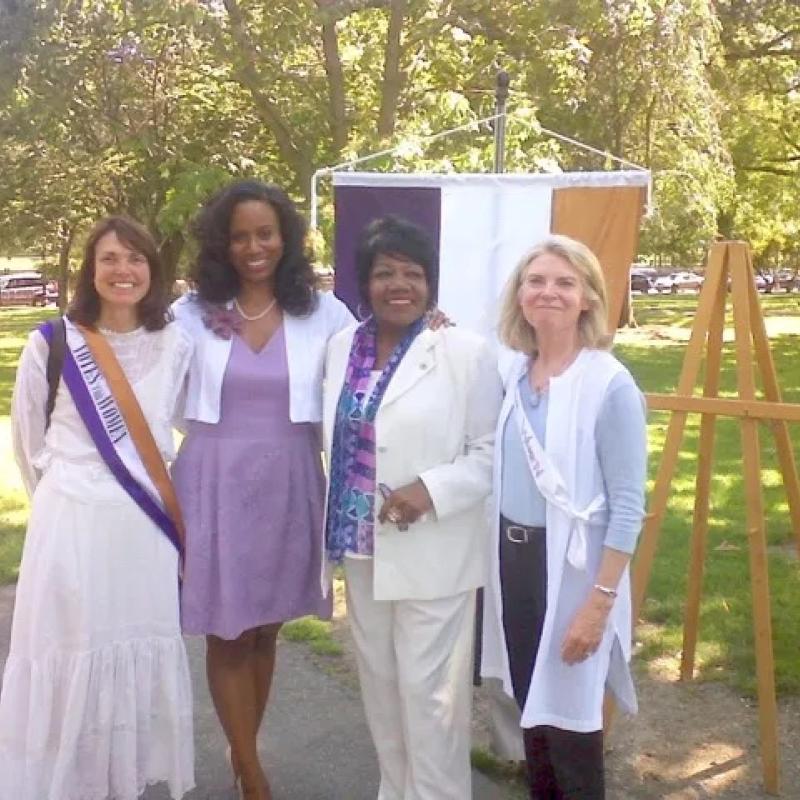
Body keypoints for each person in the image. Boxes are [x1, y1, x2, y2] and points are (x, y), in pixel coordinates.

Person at [170, 180, 354, 800]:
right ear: (223, 243)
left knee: (265, 626)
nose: (254, 246)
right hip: (213, 481)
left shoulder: (324, 312)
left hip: (292, 478)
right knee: (227, 627)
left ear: (287, 238)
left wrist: (433, 326)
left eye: (266, 233)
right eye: (241, 235)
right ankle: (251, 773)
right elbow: (147, 377)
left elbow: (374, 368)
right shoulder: (191, 313)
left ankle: (244, 748)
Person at [0, 216, 195, 800]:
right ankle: (64, 777)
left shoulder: (176, 343)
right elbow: (27, 436)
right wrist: (62, 499)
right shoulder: (52, 341)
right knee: (71, 644)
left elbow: (178, 424)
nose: (123, 271)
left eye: (135, 259)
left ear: (152, 271)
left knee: (132, 641)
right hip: (73, 521)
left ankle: (125, 774)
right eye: (109, 258)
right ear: (91, 269)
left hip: (142, 528)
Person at [323, 215, 501, 800]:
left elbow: (489, 452)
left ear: (431, 284)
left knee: (431, 702)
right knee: (381, 691)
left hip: (433, 552)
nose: (399, 284)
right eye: (384, 273)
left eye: (412, 274)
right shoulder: (339, 349)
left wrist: (430, 489)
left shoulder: (464, 351)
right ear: (363, 283)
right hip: (363, 549)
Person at [481, 234, 647, 799]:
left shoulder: (609, 384)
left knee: (573, 729)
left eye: (564, 282)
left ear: (587, 299)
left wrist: (599, 604)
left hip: (574, 573)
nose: (547, 292)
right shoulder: (512, 374)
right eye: (536, 280)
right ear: (520, 296)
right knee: (533, 713)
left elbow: (628, 505)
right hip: (514, 561)